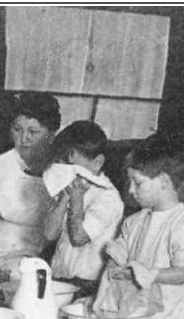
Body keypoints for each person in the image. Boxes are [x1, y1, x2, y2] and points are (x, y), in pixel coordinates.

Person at [95, 136, 184, 319]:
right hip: (138, 314)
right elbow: (118, 251)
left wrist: (150, 274)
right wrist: (115, 267)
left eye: (137, 183)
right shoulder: (134, 222)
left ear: (164, 182)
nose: (131, 190)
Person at [0, 92, 59, 287]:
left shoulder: (62, 167)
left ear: (50, 133)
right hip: (1, 249)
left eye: (33, 132)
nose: (23, 139)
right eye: (17, 129)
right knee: (15, 278)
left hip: (48, 250)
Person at [43, 121, 124, 297]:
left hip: (88, 282)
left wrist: (77, 200)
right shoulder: (67, 189)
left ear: (97, 162)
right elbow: (49, 235)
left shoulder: (107, 196)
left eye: (73, 168)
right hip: (59, 276)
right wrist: (65, 197)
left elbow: (79, 238)